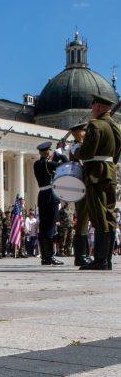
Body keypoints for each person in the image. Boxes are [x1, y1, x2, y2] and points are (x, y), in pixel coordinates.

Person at [78, 94, 121, 270]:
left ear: (99, 107)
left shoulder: (96, 125)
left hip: (95, 174)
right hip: (110, 172)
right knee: (109, 216)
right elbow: (118, 150)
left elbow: (87, 153)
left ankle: (100, 260)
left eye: (93, 105)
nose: (92, 108)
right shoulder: (115, 126)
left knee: (98, 216)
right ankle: (107, 260)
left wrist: (76, 151)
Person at [33, 141, 68, 265]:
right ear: (47, 151)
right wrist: (60, 154)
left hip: (42, 196)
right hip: (50, 196)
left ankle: (44, 257)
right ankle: (49, 257)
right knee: (50, 228)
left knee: (43, 228)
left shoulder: (37, 163)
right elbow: (67, 165)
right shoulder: (48, 164)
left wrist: (56, 154)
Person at [68, 122, 91, 266]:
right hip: (81, 186)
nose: (86, 133)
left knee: (86, 219)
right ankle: (80, 255)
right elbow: (84, 158)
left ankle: (85, 253)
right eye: (84, 131)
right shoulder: (77, 147)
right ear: (78, 134)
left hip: (84, 185)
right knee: (82, 220)